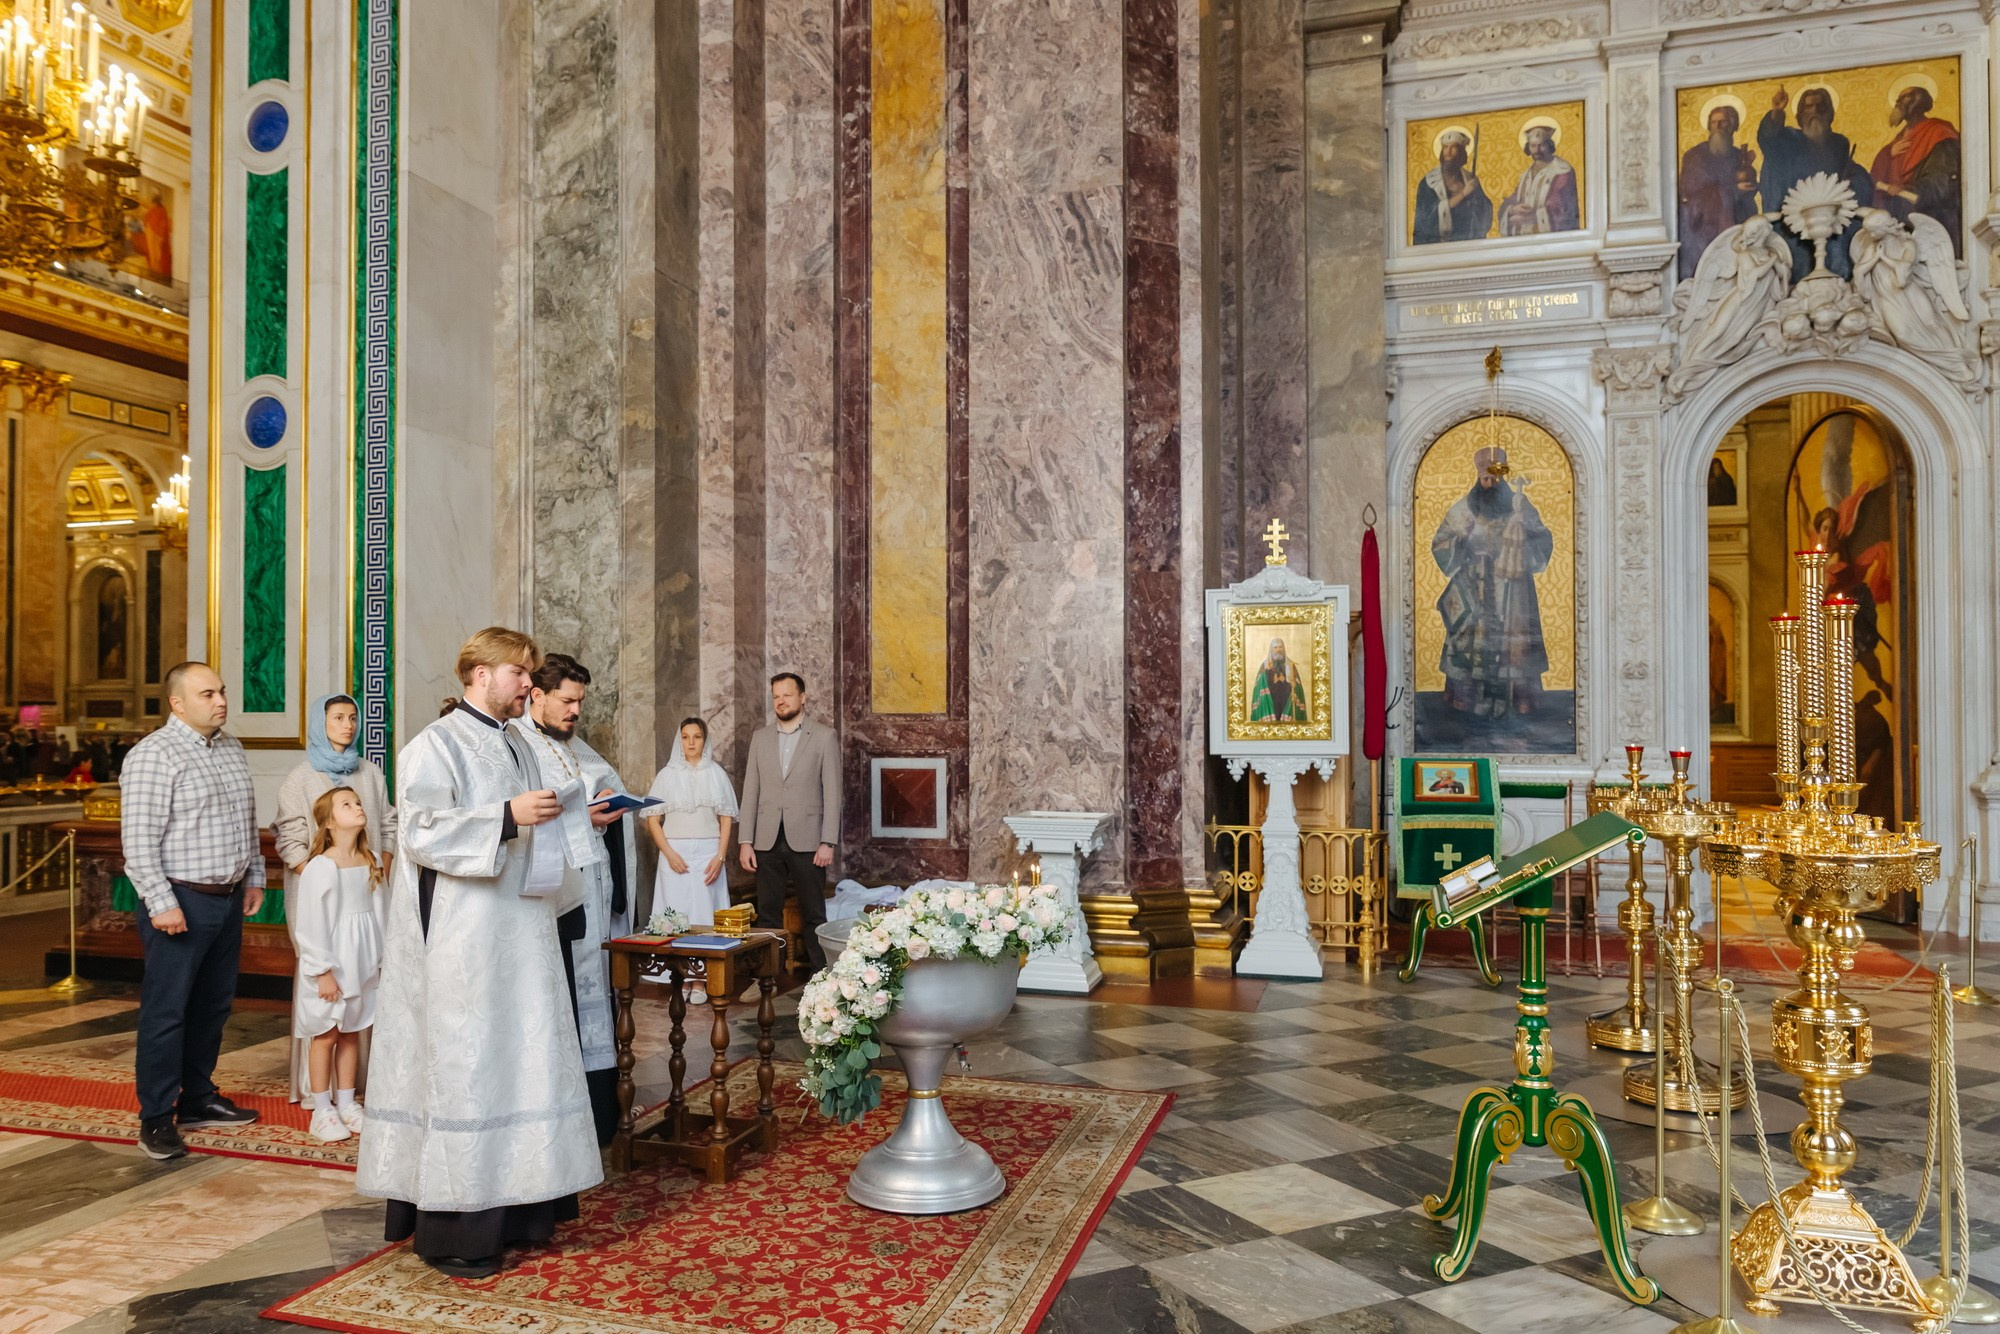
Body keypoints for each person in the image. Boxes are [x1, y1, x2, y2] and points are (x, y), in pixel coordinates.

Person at [356, 628, 602, 1280]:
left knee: (520, 1063)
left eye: (530, 673)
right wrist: (506, 816)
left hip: (522, 931)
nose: (528, 683)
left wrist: (562, 813)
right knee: (470, 1070)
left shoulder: (520, 742)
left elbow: (536, 817)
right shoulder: (434, 745)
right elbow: (419, 831)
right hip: (464, 943)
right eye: (519, 672)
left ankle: (522, 1213)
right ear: (479, 672)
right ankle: (459, 1233)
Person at [119, 661, 264, 1162]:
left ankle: (198, 1098)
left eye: (222, 691)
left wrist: (254, 877)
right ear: (177, 703)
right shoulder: (153, 755)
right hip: (180, 901)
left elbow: (246, 821)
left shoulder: (231, 747)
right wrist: (162, 903)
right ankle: (156, 1118)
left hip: (228, 898)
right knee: (167, 1012)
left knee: (213, 1006)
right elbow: (138, 843)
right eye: (208, 694)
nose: (221, 701)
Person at [512, 653, 634, 1147]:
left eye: (580, 701)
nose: (576, 711)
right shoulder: (517, 746)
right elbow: (523, 822)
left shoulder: (576, 747)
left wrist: (607, 811)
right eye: (567, 700)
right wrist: (587, 816)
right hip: (548, 899)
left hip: (591, 892)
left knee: (594, 990)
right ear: (537, 695)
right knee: (558, 997)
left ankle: (600, 1112)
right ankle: (559, 1119)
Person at [274, 693, 396, 1103]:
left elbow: (389, 825)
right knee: (325, 986)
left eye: (353, 717)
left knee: (362, 985)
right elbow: (290, 841)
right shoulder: (301, 778)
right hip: (323, 896)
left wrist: (377, 871)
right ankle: (317, 1093)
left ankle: (357, 1087)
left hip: (367, 889)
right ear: (319, 723)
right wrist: (328, 879)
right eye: (338, 717)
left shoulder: (371, 773)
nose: (348, 725)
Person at [1430, 447, 1554, 720]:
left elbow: (1543, 541)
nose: (1491, 483)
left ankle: (1516, 704)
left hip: (1514, 589)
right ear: (1478, 478)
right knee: (1472, 643)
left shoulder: (1520, 507)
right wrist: (1461, 538)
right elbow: (1440, 544)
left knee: (1513, 645)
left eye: (1496, 478)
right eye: (1486, 478)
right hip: (1473, 586)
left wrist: (1523, 536)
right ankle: (1469, 705)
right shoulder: (1463, 509)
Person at [291, 787, 386, 1144]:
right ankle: (322, 1109)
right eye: (347, 805)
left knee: (351, 1031)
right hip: (332, 961)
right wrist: (322, 971)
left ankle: (347, 1103)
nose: (358, 807)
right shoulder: (321, 866)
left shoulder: (370, 859)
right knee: (327, 1033)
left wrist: (382, 959)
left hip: (362, 959)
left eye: (358, 803)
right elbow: (311, 924)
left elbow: (381, 911)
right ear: (329, 822)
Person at [738, 672, 841, 971]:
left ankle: (823, 982)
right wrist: (745, 841)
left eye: (787, 695)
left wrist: (828, 841)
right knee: (767, 915)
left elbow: (833, 793)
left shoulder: (824, 736)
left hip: (809, 840)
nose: (781, 701)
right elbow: (750, 792)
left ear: (803, 697)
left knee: (813, 914)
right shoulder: (760, 738)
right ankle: (767, 980)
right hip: (766, 839)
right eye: (776, 696)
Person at [645, 717, 740, 1002]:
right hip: (674, 852)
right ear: (680, 740)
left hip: (709, 852)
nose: (691, 742)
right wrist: (668, 853)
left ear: (704, 740)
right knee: (677, 914)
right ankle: (681, 976)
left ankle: (700, 978)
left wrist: (720, 857)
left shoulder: (716, 773)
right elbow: (652, 820)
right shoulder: (666, 775)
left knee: (704, 914)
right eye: (685, 736)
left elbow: (726, 819)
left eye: (696, 736)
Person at [1756, 85, 1873, 277]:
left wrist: (1853, 184)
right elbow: (1767, 139)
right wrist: (1777, 111)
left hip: (1833, 217)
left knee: (1840, 257)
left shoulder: (1838, 143)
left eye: (1820, 106)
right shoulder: (1787, 139)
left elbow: (1851, 171)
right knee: (1798, 265)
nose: (1815, 111)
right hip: (1793, 218)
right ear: (1800, 115)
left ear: (1830, 113)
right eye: (1808, 107)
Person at [1870, 83, 1961, 256]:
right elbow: (1876, 178)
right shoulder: (1897, 140)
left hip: (1930, 216)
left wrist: (1909, 190)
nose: (1899, 101)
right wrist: (1888, 154)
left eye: (1906, 97)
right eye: (1898, 98)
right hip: (1899, 220)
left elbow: (1943, 179)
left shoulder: (1939, 132)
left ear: (1919, 101)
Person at [1678, 101, 1759, 280]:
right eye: (1714, 123)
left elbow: (1749, 192)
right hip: (1703, 228)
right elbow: (1694, 193)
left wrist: (1749, 184)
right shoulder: (1695, 156)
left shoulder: (1739, 156)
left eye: (1723, 122)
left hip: (1736, 225)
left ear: (1732, 125)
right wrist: (1733, 191)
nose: (1718, 127)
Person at [1413, 128, 1493, 245]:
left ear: (1461, 152)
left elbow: (1485, 212)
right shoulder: (1429, 183)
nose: (1448, 152)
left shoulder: (1470, 179)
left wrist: (1476, 201)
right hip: (1439, 245)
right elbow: (1426, 220)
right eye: (1445, 147)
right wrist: (1463, 194)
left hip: (1468, 243)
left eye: (1454, 147)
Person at [1498, 124, 1579, 236]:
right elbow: (1514, 199)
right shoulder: (1526, 175)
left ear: (1550, 145)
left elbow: (1564, 208)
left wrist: (1534, 218)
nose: (1537, 150)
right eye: (1533, 146)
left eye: (1542, 145)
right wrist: (1512, 209)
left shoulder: (1562, 170)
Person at [1248, 639, 1308, 722]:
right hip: (1270, 702)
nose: (1278, 650)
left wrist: (1287, 682)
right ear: (1271, 649)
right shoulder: (1265, 665)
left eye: (1280, 647)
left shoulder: (1290, 665)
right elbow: (1259, 686)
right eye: (1275, 647)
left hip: (1286, 702)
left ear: (1284, 649)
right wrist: (1268, 673)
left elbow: (1297, 687)